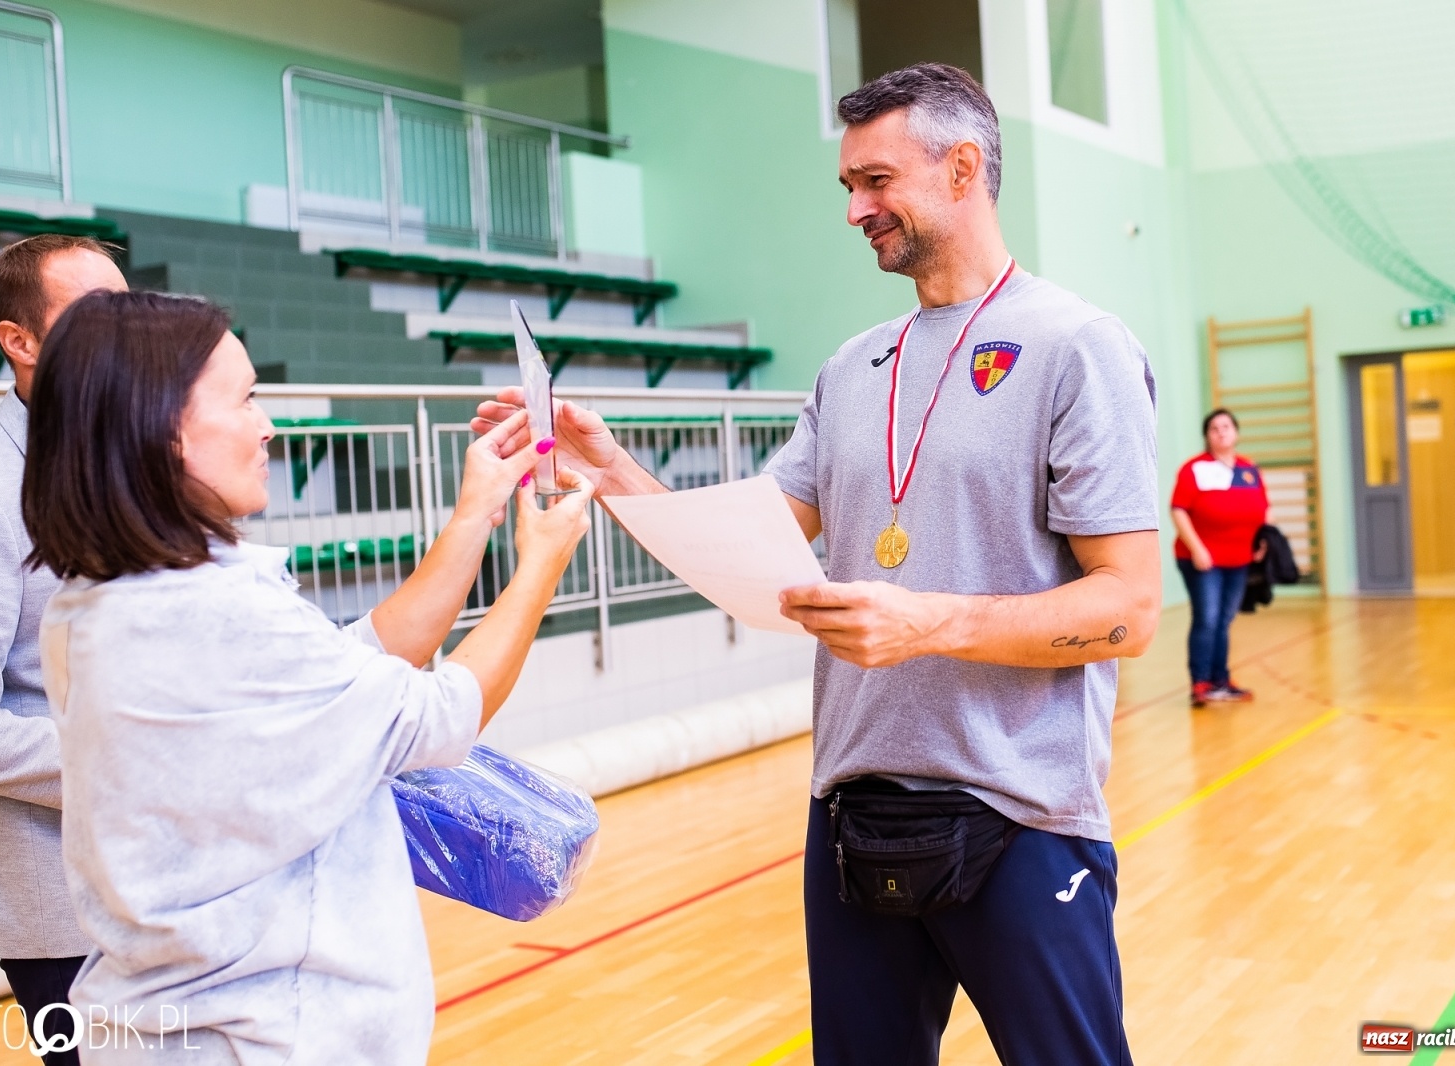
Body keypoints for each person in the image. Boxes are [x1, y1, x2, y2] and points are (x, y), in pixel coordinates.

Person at [473, 63, 1159, 1066]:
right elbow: (739, 550)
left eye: (875, 181)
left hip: (1021, 819)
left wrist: (927, 622)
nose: (854, 209)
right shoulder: (850, 369)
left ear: (961, 168)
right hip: (849, 812)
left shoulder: (1076, 347)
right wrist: (606, 460)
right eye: (847, 186)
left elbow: (1130, 609)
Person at [22, 290, 590, 1062]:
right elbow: (438, 717)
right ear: (165, 430)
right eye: (245, 399)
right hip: (259, 1037)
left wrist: (474, 518)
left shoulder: (104, 596)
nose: (268, 425)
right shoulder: (204, 610)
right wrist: (541, 566)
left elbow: (350, 667)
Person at [0, 233, 128, 1064]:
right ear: (19, 341)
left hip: (174, 881)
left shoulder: (132, 463)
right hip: (67, 915)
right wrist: (140, 758)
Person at [1169, 408, 1269, 707]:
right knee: (1208, 618)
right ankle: (1201, 683)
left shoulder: (1249, 469)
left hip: (1239, 559)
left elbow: (1264, 506)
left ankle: (1221, 680)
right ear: (1207, 436)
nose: (1221, 432)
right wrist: (1198, 548)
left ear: (1236, 432)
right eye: (1214, 428)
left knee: (1224, 620)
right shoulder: (1195, 469)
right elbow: (1178, 510)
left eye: (1226, 426)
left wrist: (1263, 540)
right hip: (1202, 560)